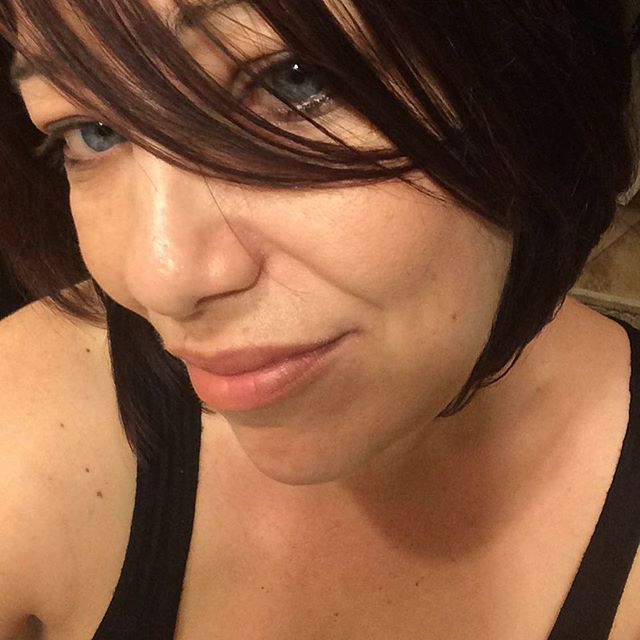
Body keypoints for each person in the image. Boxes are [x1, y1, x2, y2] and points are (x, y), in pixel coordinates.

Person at [0, 0, 639, 638]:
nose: (161, 279)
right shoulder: (30, 418)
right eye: (94, 132)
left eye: (293, 80)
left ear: (530, 71)